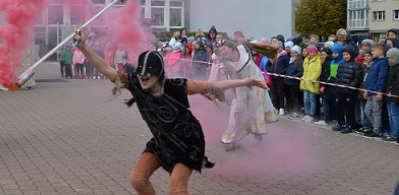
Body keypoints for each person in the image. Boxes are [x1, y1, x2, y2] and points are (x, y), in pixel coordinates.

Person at [72, 27, 269, 195]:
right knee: (138, 180)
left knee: (176, 190)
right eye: (141, 75)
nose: (143, 79)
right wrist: (83, 47)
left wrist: (245, 81)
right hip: (161, 142)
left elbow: (211, 85)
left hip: (187, 143)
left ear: (158, 75)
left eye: (148, 76)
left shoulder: (177, 86)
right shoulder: (135, 84)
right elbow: (106, 68)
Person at [215, 40, 279, 151]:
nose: (222, 52)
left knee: (256, 110)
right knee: (236, 112)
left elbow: (258, 45)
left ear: (231, 47)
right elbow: (221, 70)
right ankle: (232, 139)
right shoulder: (225, 62)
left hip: (256, 85)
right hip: (241, 89)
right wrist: (225, 72)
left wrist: (271, 46)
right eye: (220, 51)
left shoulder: (243, 48)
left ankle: (258, 137)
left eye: (224, 49)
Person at [331, 45, 363, 134]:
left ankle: (349, 125)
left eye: (347, 54)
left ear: (352, 54)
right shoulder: (341, 64)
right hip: (340, 91)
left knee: (349, 109)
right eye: (344, 54)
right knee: (339, 107)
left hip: (350, 92)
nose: (345, 56)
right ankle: (340, 123)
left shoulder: (356, 65)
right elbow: (338, 76)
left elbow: (358, 78)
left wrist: (351, 86)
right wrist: (337, 85)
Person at [362, 44, 388, 138]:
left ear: (381, 51)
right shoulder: (375, 62)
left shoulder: (383, 62)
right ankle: (376, 127)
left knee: (376, 111)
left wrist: (380, 91)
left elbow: (382, 77)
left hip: (376, 91)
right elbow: (369, 77)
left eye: (374, 51)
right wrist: (366, 90)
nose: (372, 53)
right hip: (370, 91)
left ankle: (377, 131)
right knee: (367, 110)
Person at [266, 41, 290, 115]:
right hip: (273, 77)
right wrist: (270, 71)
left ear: (281, 47)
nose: (277, 48)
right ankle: (275, 107)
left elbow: (288, 66)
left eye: (279, 47)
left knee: (280, 93)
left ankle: (281, 108)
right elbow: (267, 65)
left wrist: (282, 72)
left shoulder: (285, 56)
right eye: (276, 47)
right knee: (274, 93)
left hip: (280, 78)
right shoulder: (273, 55)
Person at [299, 46, 322, 123]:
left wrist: (311, 79)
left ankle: (312, 115)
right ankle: (307, 113)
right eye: (311, 52)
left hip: (312, 83)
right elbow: (304, 70)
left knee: (312, 99)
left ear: (316, 52)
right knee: (305, 99)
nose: (312, 54)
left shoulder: (318, 60)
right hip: (305, 82)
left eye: (314, 52)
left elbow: (317, 71)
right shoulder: (306, 59)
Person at [315, 49, 334, 125]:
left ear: (328, 55)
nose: (322, 56)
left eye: (324, 54)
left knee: (326, 103)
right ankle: (329, 119)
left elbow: (327, 75)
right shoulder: (325, 62)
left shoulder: (328, 63)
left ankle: (326, 119)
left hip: (327, 86)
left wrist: (323, 85)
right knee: (328, 102)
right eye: (321, 54)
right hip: (325, 85)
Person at [384, 48, 399, 142]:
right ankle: (392, 131)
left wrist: (395, 99)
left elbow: (397, 85)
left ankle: (395, 134)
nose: (389, 60)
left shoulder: (397, 69)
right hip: (389, 96)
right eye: (388, 58)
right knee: (390, 116)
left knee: (395, 116)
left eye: (392, 58)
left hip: (394, 97)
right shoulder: (391, 67)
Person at [285, 46, 304, 115]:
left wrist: (293, 77)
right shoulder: (291, 61)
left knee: (295, 97)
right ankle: (292, 109)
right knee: (291, 97)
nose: (292, 54)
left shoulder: (298, 62)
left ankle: (296, 111)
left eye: (294, 53)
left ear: (298, 54)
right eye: (291, 53)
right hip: (289, 82)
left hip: (294, 83)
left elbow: (300, 72)